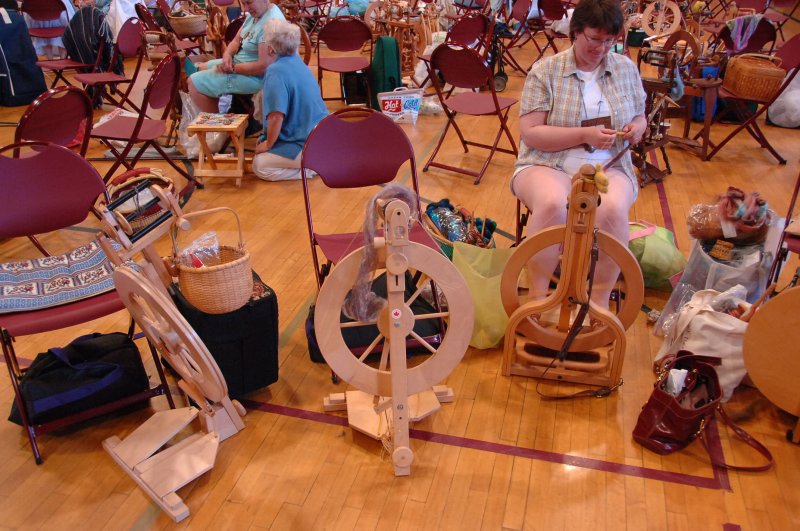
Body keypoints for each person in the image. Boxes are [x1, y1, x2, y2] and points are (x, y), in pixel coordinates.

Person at [511, 0, 646, 309]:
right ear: (575, 32)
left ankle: (597, 304)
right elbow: (531, 133)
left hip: (609, 165)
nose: (602, 48)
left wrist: (637, 127)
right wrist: (584, 135)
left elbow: (641, 115)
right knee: (552, 204)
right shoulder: (546, 71)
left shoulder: (625, 68)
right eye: (594, 39)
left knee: (613, 210)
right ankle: (537, 301)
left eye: (609, 40)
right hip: (547, 162)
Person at [252, 19, 328, 181]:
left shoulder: (275, 71)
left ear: (271, 49)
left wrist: (269, 144)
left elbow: (276, 116)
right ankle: (313, 163)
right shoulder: (297, 62)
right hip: (322, 135)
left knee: (260, 165)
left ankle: (310, 169)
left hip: (306, 143)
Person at [187, 0, 284, 113]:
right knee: (200, 68)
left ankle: (217, 122)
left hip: (257, 78)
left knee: (193, 82)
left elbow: (262, 68)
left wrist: (232, 68)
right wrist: (227, 55)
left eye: (249, 3)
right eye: (243, 3)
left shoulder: (271, 23)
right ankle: (219, 115)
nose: (245, 9)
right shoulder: (256, 14)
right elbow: (237, 40)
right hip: (240, 64)